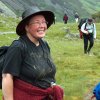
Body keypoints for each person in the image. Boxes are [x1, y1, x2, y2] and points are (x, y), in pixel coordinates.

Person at [2, 7, 64, 100]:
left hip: (46, 96)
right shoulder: (18, 47)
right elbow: (7, 77)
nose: (42, 26)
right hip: (26, 96)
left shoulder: (44, 44)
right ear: (27, 27)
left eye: (43, 22)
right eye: (37, 22)